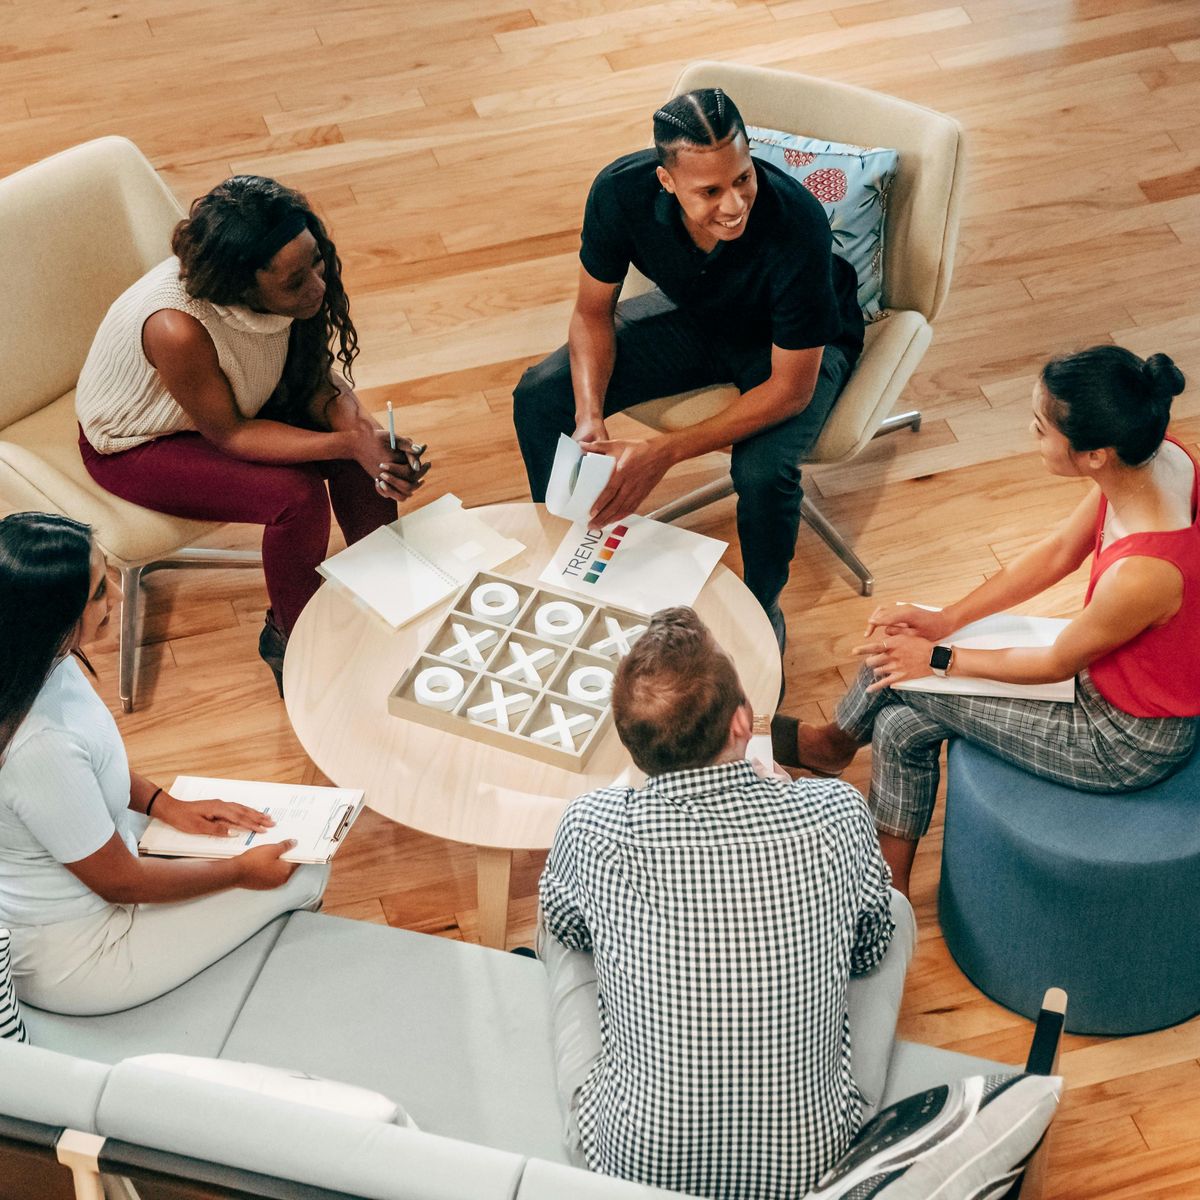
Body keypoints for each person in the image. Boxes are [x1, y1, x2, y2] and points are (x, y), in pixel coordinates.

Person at [774, 346, 1198, 895]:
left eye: (1041, 427)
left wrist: (937, 657)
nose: (1030, 432)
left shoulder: (1146, 573)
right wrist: (945, 619)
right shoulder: (1157, 460)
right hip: (1108, 674)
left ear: (1095, 454)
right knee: (900, 725)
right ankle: (891, 893)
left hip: (1122, 739)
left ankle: (832, 746)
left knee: (899, 669)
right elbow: (1057, 553)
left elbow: (1055, 662)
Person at [539, 607, 896, 1198]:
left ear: (632, 747)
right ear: (743, 724)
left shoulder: (590, 826)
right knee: (892, 913)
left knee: (558, 924)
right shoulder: (835, 812)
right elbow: (868, 948)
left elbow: (570, 930)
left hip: (631, 1166)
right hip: (811, 1165)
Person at [512, 89, 864, 650]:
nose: (735, 204)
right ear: (667, 181)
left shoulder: (796, 222)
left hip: (792, 348)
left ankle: (762, 610)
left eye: (743, 178)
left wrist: (664, 453)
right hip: (701, 317)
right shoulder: (619, 191)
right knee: (539, 394)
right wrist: (588, 417)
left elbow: (790, 391)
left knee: (763, 472)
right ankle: (571, 554)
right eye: (710, 191)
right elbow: (591, 313)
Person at [75, 174, 430, 691]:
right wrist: (348, 440)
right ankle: (292, 638)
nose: (318, 285)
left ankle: (391, 588)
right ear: (240, 287)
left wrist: (368, 439)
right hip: (138, 441)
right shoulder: (177, 327)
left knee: (358, 448)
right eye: (296, 282)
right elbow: (231, 434)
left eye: (317, 261)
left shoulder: (294, 283)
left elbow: (311, 381)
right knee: (296, 498)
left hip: (235, 402)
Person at [0, 512, 328, 1016]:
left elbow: (93, 764)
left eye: (107, 575)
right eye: (98, 593)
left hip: (105, 862)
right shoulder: (38, 748)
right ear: (50, 616)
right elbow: (121, 882)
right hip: (84, 951)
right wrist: (238, 873)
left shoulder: (38, 660)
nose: (118, 594)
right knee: (307, 875)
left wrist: (166, 804)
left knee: (274, 848)